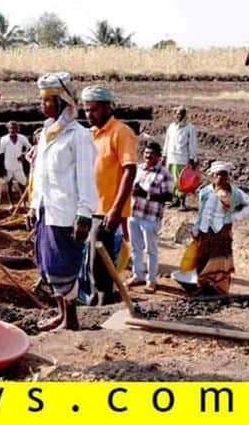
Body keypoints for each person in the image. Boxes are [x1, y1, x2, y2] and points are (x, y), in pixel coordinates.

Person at [28, 72, 97, 331]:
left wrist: (84, 214)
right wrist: (35, 206)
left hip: (68, 213)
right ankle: (61, 314)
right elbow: (41, 174)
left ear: (63, 102)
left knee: (64, 266)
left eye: (48, 100)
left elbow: (86, 178)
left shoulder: (78, 135)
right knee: (48, 264)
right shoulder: (47, 132)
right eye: (43, 100)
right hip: (49, 209)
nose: (43, 105)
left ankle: (72, 320)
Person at [82, 85, 138, 306]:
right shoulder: (92, 135)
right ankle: (95, 300)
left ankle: (103, 304)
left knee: (100, 264)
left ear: (107, 107)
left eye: (93, 110)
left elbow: (130, 170)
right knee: (92, 262)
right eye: (86, 110)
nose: (89, 115)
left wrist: (116, 209)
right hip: (92, 208)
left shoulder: (121, 132)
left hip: (107, 210)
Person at [192, 162, 249, 294]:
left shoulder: (234, 192)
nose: (221, 177)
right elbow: (201, 211)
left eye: (224, 174)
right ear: (212, 175)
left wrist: (235, 216)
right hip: (205, 231)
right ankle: (203, 287)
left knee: (220, 261)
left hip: (222, 233)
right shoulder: (205, 191)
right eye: (218, 174)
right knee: (202, 259)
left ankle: (218, 290)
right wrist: (196, 227)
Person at [126, 142, 174, 294]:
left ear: (158, 157)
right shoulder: (139, 169)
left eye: (151, 154)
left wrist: (146, 194)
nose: (147, 156)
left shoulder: (164, 174)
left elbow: (168, 196)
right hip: (134, 214)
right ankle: (138, 275)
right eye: (146, 153)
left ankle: (151, 280)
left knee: (151, 251)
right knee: (135, 248)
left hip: (151, 217)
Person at [162, 105, 198, 210]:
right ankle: (174, 201)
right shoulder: (172, 127)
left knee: (182, 181)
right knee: (172, 180)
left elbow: (192, 144)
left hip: (182, 158)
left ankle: (183, 203)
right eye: (177, 114)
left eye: (181, 114)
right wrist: (164, 155)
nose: (179, 116)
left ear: (185, 115)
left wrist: (192, 158)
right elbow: (167, 142)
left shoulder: (190, 128)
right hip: (171, 157)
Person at [0, 121, 32, 205]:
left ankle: (25, 203)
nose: (12, 130)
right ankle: (11, 204)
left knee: (23, 184)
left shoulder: (22, 138)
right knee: (9, 185)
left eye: (14, 128)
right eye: (10, 128)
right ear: (8, 129)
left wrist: (24, 155)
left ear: (18, 129)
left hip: (18, 165)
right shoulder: (4, 139)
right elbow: (1, 154)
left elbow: (30, 147)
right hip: (8, 166)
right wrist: (3, 168)